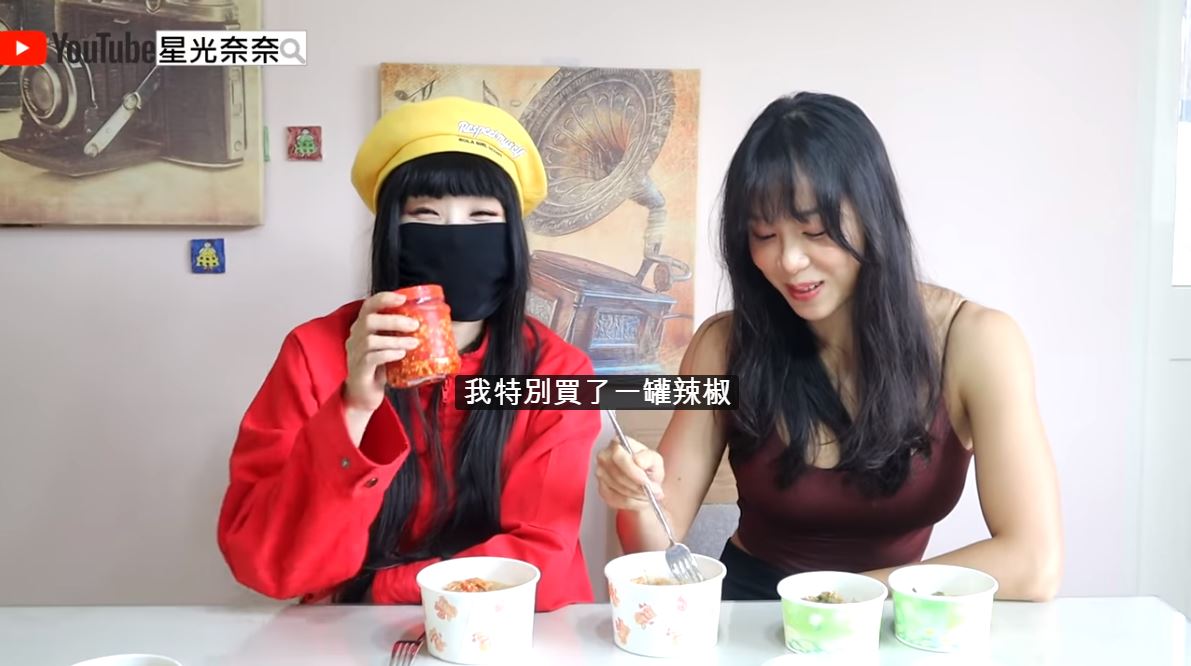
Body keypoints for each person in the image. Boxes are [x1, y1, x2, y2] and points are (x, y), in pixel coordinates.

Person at [595, 92, 1063, 602]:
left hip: (895, 617)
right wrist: (637, 499)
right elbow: (653, 548)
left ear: (873, 215)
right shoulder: (724, 347)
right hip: (751, 617)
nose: (789, 260)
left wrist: (842, 601)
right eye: (764, 234)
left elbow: (1034, 563)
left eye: (815, 230)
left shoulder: (976, 342)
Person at [217, 97, 603, 611]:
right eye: (425, 214)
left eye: (481, 215)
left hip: (502, 629)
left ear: (511, 238)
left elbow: (539, 562)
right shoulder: (314, 353)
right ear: (392, 236)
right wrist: (353, 408)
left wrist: (375, 590)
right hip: (352, 640)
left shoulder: (558, 372)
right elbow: (267, 563)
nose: (455, 238)